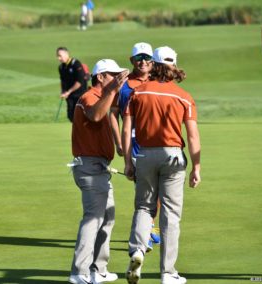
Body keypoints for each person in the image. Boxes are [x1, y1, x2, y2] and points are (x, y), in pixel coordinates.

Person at [123, 46, 201, 284]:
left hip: (145, 155)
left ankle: (137, 249)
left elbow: (127, 129)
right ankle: (168, 273)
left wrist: (128, 161)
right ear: (173, 66)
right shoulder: (183, 96)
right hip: (173, 156)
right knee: (171, 214)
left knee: (145, 207)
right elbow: (193, 136)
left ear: (154, 65)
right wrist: (196, 167)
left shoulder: (137, 92)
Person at [68, 59, 129, 284]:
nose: (116, 78)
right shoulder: (88, 97)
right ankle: (79, 272)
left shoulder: (105, 96)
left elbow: (109, 115)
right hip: (90, 167)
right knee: (93, 218)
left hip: (100, 167)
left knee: (108, 218)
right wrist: (112, 90)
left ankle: (98, 269)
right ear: (100, 77)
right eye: (112, 75)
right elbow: (95, 115)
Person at [109, 42, 160, 252]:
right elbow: (112, 113)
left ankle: (149, 226)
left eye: (147, 58)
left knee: (156, 190)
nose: (143, 62)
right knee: (144, 190)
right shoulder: (124, 85)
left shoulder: (158, 82)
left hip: (157, 141)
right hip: (135, 143)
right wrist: (118, 141)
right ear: (132, 61)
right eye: (139, 58)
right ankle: (143, 233)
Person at [57, 47, 88, 122]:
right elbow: (63, 80)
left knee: (80, 115)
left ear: (66, 54)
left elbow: (79, 82)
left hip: (80, 95)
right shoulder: (61, 67)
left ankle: (83, 132)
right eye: (58, 56)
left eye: (60, 55)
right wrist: (63, 91)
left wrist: (68, 92)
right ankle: (77, 132)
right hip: (70, 96)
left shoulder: (76, 63)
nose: (59, 58)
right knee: (70, 115)